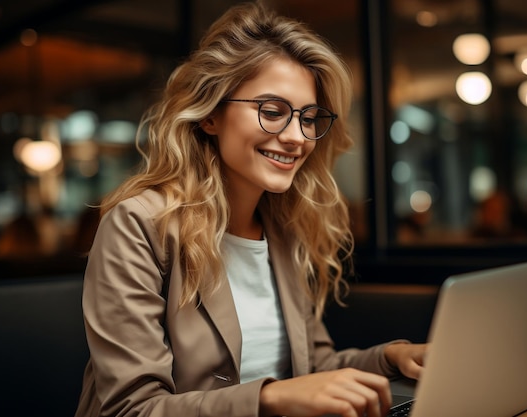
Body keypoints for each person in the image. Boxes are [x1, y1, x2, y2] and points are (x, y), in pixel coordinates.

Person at [74, 2, 427, 416]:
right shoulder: (138, 225)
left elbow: (315, 371)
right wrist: (270, 398)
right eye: (273, 111)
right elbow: (130, 409)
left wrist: (393, 358)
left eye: (309, 117)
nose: (297, 137)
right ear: (210, 115)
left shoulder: (284, 228)